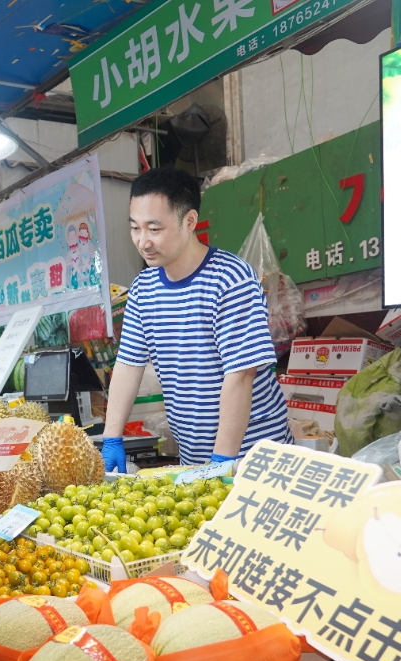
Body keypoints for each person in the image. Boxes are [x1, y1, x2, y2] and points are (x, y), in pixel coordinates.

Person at [102, 168, 292, 470]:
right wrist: (111, 437)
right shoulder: (143, 289)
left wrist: (224, 460)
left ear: (189, 221)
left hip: (255, 454)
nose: (142, 242)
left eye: (154, 229)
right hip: (194, 457)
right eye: (135, 228)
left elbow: (242, 373)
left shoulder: (230, 278)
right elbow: (128, 365)